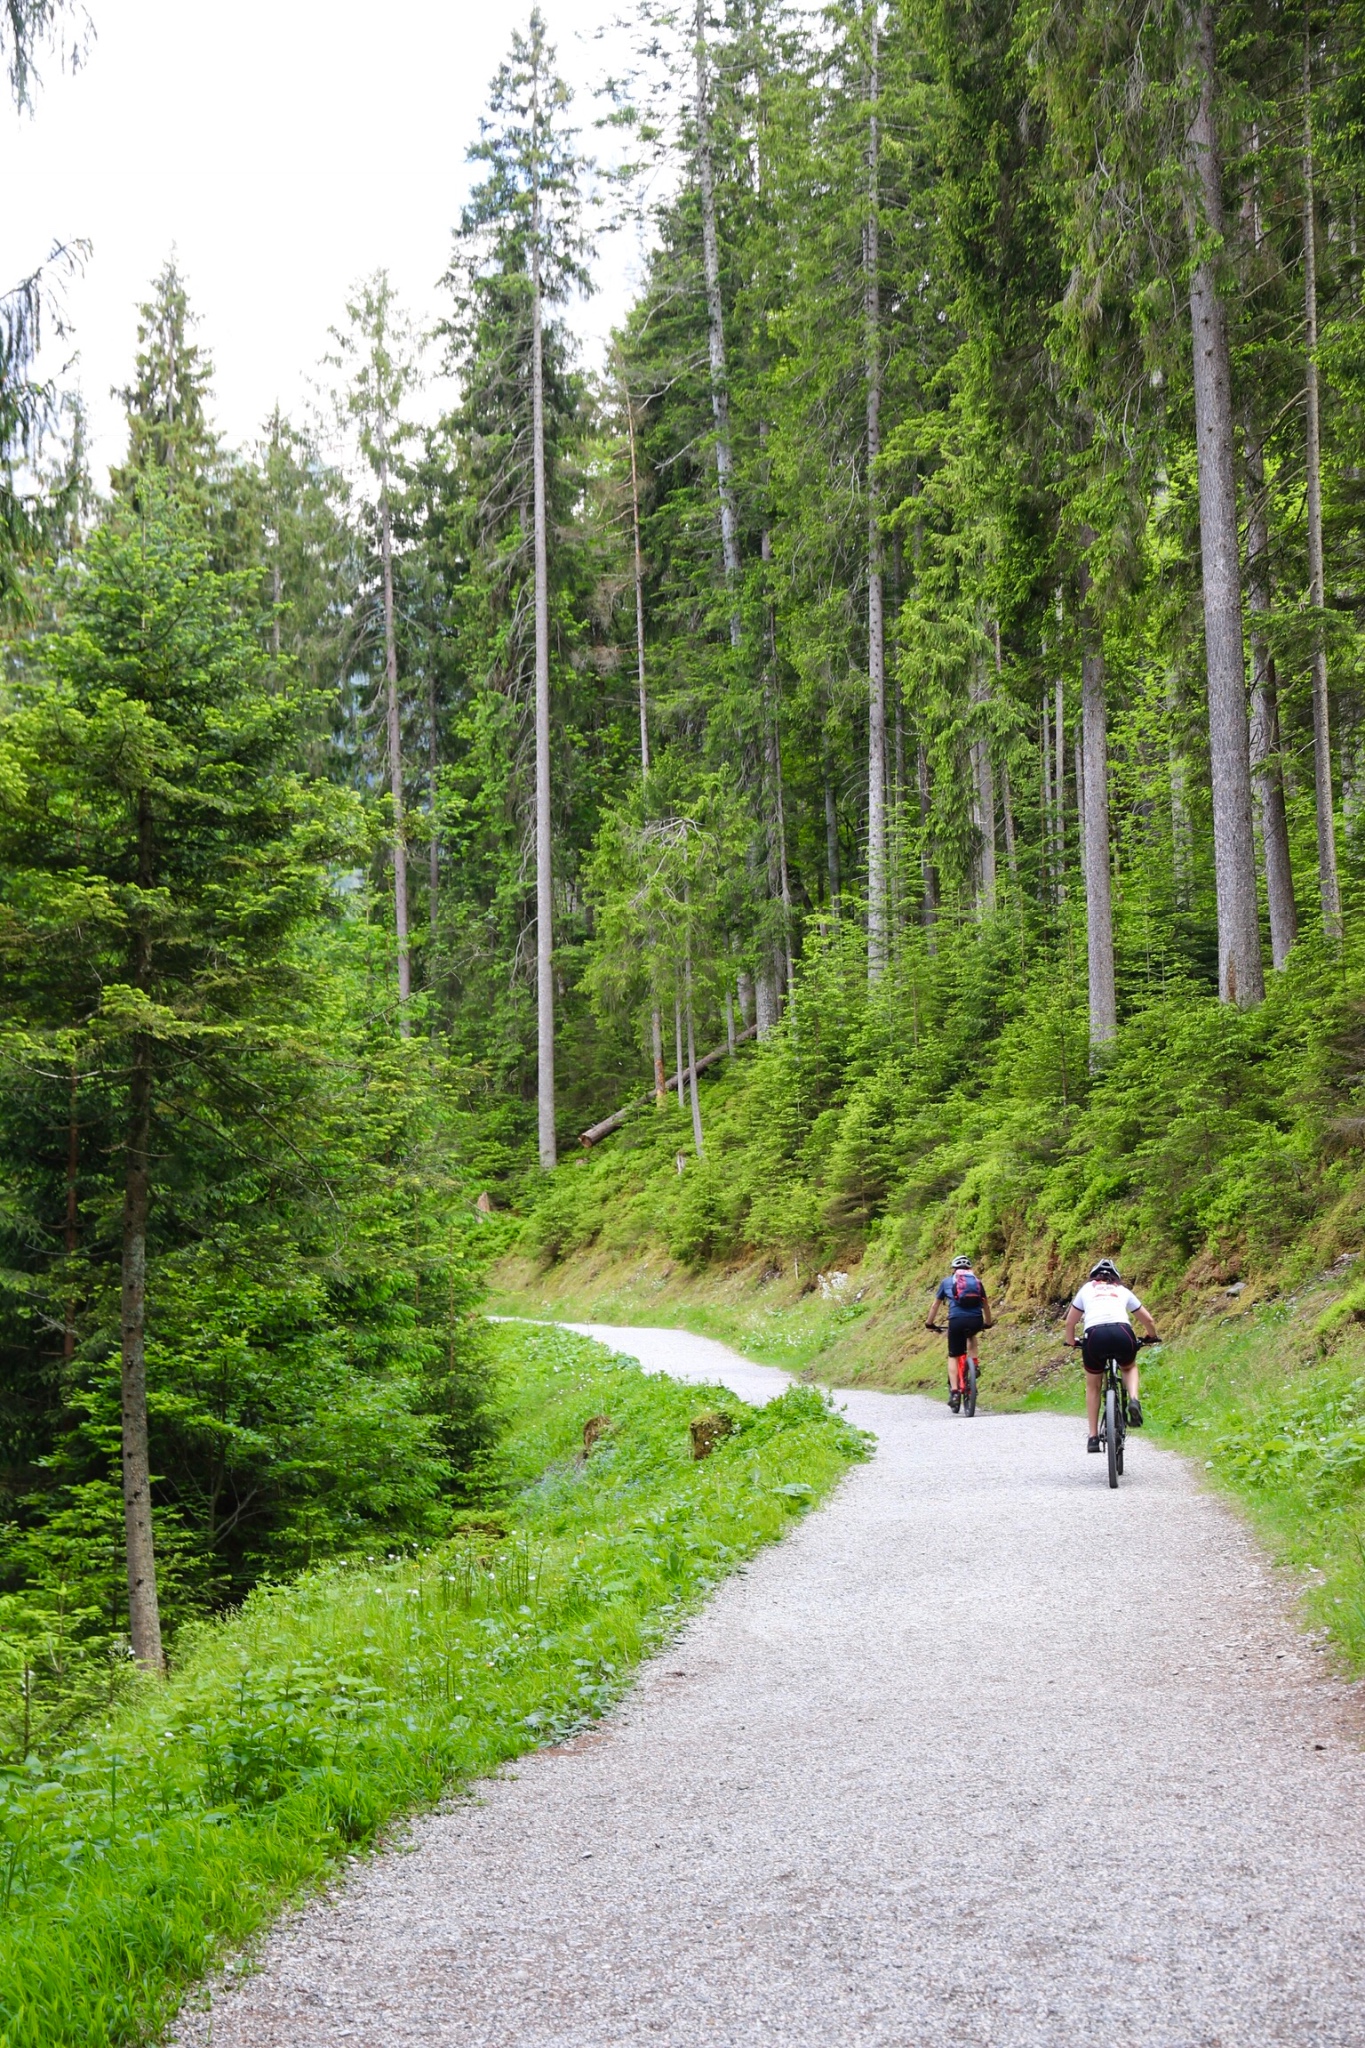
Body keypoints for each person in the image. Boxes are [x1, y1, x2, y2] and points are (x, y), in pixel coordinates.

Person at [1064, 1259, 1160, 1452]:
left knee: (1093, 1385)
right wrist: (1152, 1336)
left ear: (1094, 1277)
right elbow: (1148, 1319)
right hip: (1122, 1332)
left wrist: (1072, 1341)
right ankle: (1133, 1399)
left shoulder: (1086, 1289)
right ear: (1115, 1278)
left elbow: (1070, 1323)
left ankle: (1092, 1437)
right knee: (1129, 1366)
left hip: (1094, 1336)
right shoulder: (1122, 1290)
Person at [926, 1256, 993, 1411]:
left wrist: (929, 1323)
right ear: (969, 1269)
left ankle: (955, 1392)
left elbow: (935, 1305)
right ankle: (974, 1364)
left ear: (953, 1269)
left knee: (953, 1356)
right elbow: (986, 1305)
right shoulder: (977, 1282)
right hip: (975, 1319)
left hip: (956, 1321)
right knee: (972, 1336)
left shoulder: (947, 1282)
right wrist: (988, 1322)